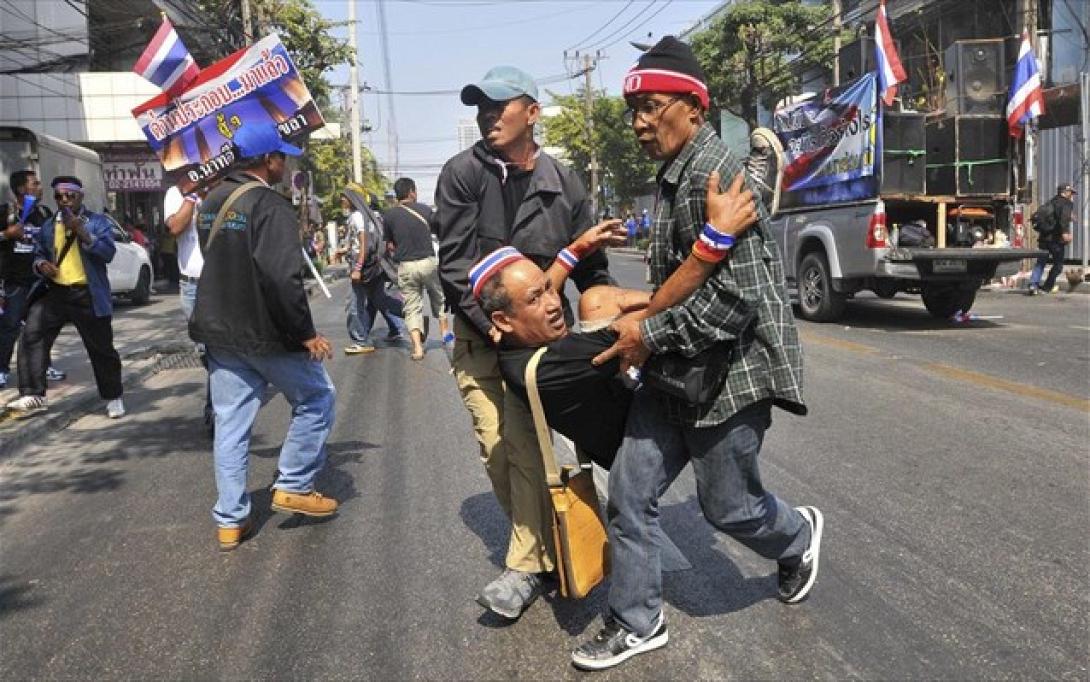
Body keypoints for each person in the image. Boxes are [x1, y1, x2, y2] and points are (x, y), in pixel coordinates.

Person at [568, 37, 822, 671]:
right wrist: (639, 319)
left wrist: (644, 334)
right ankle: (637, 621)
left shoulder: (717, 177)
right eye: (635, 112)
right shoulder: (678, 174)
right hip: (675, 372)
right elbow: (687, 280)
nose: (639, 124)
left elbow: (734, 302)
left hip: (730, 376)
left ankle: (797, 536)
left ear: (692, 106)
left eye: (651, 108)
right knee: (630, 493)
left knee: (729, 508)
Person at [435, 64, 626, 620]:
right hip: (482, 338)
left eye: (500, 106)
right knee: (497, 448)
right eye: (481, 108)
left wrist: (607, 318)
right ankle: (540, 550)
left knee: (536, 447)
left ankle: (529, 562)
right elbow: (455, 266)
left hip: (543, 344)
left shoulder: (564, 181)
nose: (488, 117)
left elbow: (593, 268)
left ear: (532, 113)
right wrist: (494, 324)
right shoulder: (461, 174)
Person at [190, 123, 338, 551]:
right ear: (269, 160)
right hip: (265, 332)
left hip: (219, 330)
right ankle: (293, 483)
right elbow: (281, 277)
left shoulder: (211, 201)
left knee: (231, 425)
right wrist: (306, 333)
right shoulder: (271, 205)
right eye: (282, 157)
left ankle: (230, 522)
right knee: (317, 398)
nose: (285, 163)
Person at [5, 176, 124, 419]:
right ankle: (34, 393)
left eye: (70, 195)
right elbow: (38, 254)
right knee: (31, 335)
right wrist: (41, 266)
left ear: (80, 196)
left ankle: (113, 396)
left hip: (87, 294)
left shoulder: (97, 222)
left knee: (101, 349)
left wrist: (81, 231)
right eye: (59, 196)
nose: (65, 200)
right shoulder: (49, 225)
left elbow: (108, 253)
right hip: (56, 293)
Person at [164, 180, 213, 431]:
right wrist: (192, 197)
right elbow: (175, 227)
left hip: (218, 283)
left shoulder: (222, 190)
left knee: (218, 349)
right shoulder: (176, 193)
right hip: (191, 286)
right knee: (205, 350)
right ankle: (221, 394)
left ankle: (215, 409)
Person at [382, 177, 449, 360]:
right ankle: (445, 335)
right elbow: (439, 233)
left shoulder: (389, 215)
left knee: (411, 307)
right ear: (412, 192)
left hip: (406, 266)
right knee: (439, 297)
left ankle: (418, 348)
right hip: (427, 262)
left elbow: (389, 245)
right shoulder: (426, 210)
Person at [1, 170, 53, 390]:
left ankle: (44, 365)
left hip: (39, 281)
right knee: (10, 326)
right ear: (22, 189)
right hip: (14, 281)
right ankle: (2, 369)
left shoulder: (43, 213)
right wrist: (7, 234)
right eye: (35, 183)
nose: (40, 187)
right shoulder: (5, 212)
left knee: (43, 326)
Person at [341, 187, 408, 355]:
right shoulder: (370, 215)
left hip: (362, 268)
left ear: (352, 198)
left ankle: (361, 341)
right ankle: (413, 316)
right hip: (374, 267)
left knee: (354, 305)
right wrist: (344, 250)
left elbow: (364, 243)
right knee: (380, 300)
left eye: (344, 197)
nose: (342, 200)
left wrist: (357, 268)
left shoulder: (356, 216)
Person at [1028, 183, 1076, 295]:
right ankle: (1046, 287)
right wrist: (1065, 233)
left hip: (1044, 238)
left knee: (1040, 262)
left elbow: (1055, 216)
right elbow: (1063, 219)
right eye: (1071, 193)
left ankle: (1033, 284)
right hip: (1056, 239)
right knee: (1058, 265)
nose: (1072, 195)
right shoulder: (1067, 203)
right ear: (1065, 192)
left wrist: (1069, 215)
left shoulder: (1052, 201)